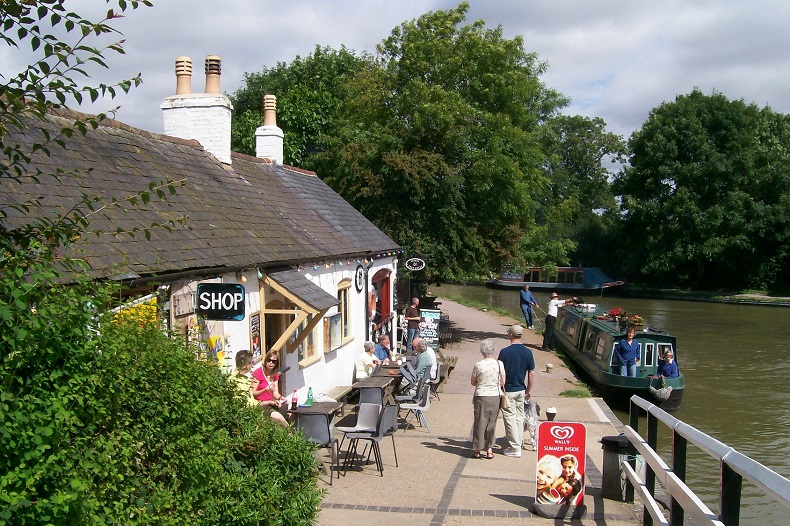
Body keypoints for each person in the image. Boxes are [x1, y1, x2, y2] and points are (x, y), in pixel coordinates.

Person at [498, 325, 535, 458]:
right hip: (521, 389)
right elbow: (531, 373)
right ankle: (518, 442)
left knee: (509, 418)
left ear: (511, 335)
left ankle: (515, 448)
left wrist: (500, 388)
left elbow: (500, 372)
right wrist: (529, 389)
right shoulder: (528, 352)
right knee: (519, 417)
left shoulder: (504, 352)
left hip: (508, 390)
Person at [470, 339, 504, 459]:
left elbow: (473, 382)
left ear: (482, 351)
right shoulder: (499, 364)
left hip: (481, 395)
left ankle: (478, 449)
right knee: (492, 422)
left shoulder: (478, 365)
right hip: (495, 395)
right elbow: (502, 381)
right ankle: (489, 449)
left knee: (480, 422)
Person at [250, 350, 289, 427]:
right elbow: (253, 393)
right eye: (269, 360)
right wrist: (264, 390)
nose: (271, 363)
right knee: (278, 417)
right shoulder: (258, 373)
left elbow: (275, 393)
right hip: (261, 404)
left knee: (291, 409)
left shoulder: (275, 374)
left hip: (272, 403)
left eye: (274, 361)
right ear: (265, 360)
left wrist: (281, 398)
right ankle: (290, 432)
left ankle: (295, 431)